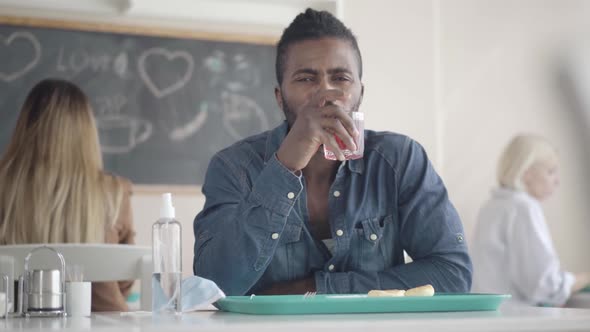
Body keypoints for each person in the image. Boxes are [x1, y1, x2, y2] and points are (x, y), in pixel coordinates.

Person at [193, 8, 472, 295]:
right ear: (280, 97)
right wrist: (285, 165)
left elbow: (452, 274)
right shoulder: (233, 167)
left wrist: (314, 289)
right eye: (306, 79)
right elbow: (215, 284)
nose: (325, 93)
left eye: (340, 78)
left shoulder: (400, 160)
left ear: (360, 93)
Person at [0, 79, 136, 311]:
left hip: (18, 323)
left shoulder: (4, 187)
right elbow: (124, 279)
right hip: (104, 323)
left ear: (25, 126)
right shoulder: (115, 192)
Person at [471, 134, 590, 306]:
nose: (557, 181)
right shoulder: (523, 207)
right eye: (550, 171)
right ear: (526, 172)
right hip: (520, 320)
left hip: (493, 317)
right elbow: (544, 285)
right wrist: (584, 278)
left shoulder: (490, 206)